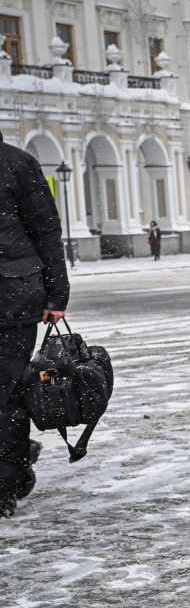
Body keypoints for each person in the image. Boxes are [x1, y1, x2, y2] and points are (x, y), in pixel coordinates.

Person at [0, 131, 68, 518]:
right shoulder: (18, 163)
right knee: (7, 395)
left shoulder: (17, 163)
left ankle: (8, 478)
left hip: (12, 298)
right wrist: (56, 295)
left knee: (6, 394)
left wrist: (57, 296)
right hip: (15, 293)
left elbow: (46, 230)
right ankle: (9, 478)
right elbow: (46, 230)